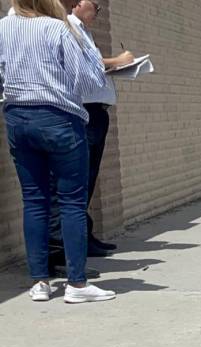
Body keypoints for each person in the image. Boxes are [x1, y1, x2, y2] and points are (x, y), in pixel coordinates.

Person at [0, 0, 115, 302]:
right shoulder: (58, 29)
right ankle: (76, 284)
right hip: (59, 119)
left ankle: (40, 282)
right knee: (71, 202)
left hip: (17, 118)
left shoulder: (3, 27)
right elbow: (88, 79)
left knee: (34, 200)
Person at [69, 0, 130, 253]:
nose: (97, 12)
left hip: (96, 111)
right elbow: (85, 65)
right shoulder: (69, 27)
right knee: (83, 177)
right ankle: (77, 240)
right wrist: (118, 60)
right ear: (77, 4)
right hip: (87, 111)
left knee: (90, 177)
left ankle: (86, 234)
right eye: (95, 6)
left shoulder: (84, 30)